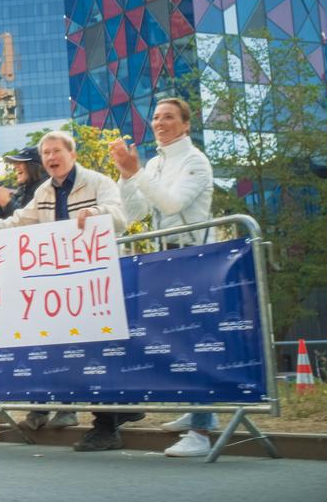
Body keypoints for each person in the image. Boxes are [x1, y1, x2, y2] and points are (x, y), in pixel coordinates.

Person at [0, 130, 131, 451]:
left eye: (56, 151)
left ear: (72, 154)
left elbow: (120, 217)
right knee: (78, 354)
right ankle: (116, 414)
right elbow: (21, 220)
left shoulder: (98, 182)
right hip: (62, 287)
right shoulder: (44, 191)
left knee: (100, 350)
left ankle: (107, 425)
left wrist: (97, 214)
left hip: (95, 281)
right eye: (45, 153)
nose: (50, 158)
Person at [110, 97, 215, 458]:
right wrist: (126, 175)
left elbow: (171, 205)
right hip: (164, 255)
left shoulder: (196, 161)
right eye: (155, 117)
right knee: (179, 339)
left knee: (197, 339)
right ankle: (194, 411)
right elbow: (134, 211)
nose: (160, 122)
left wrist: (136, 173)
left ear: (185, 124)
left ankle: (202, 431)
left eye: (169, 117)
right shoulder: (154, 163)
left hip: (194, 255)